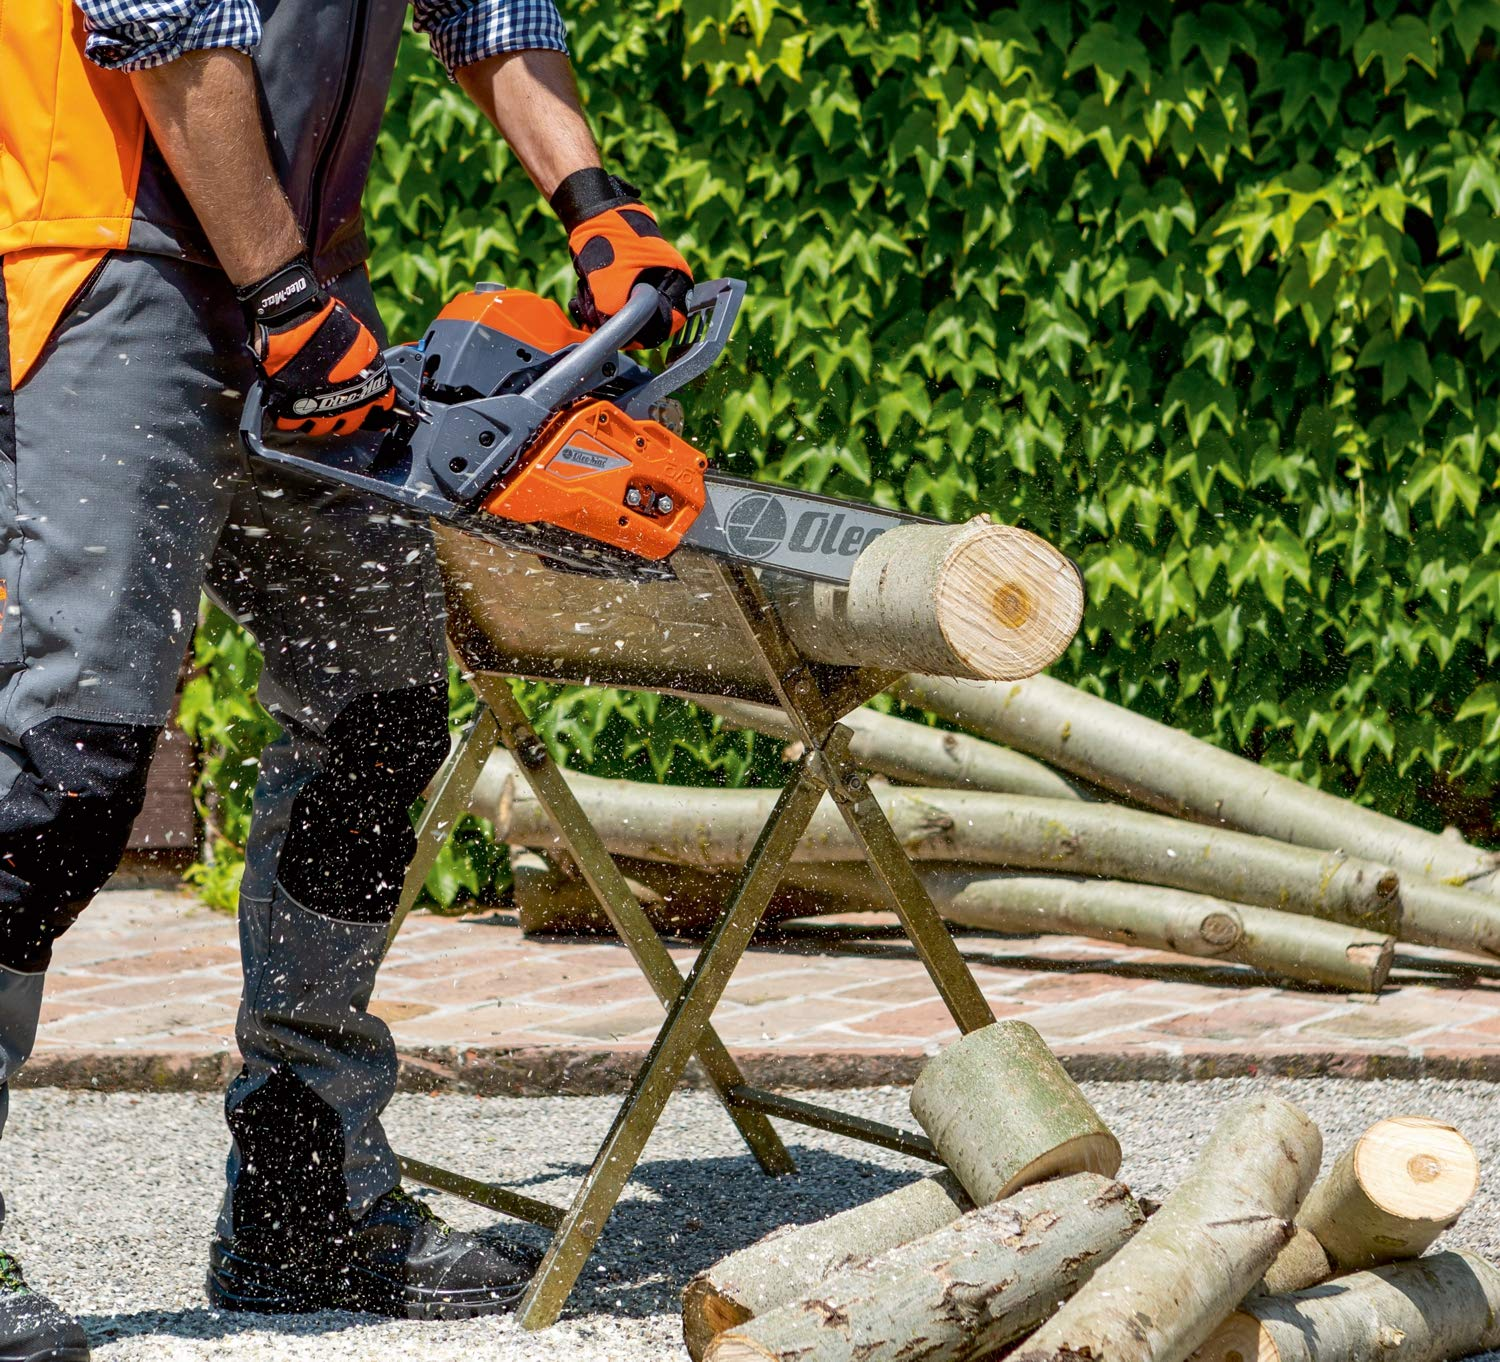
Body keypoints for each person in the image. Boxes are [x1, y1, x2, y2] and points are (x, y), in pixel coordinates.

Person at [0, 1, 693, 1355]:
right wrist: (280, 295)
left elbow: (483, 5)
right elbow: (157, 26)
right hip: (108, 267)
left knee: (377, 710)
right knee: (62, 754)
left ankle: (303, 1194)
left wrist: (594, 199)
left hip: (302, 283)